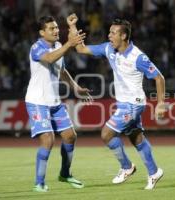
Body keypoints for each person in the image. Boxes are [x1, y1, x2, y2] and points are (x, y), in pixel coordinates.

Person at [68, 14, 166, 190]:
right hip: (123, 103)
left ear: (123, 36)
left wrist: (160, 103)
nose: (109, 36)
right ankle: (154, 172)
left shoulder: (138, 57)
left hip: (133, 104)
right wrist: (73, 27)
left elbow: (159, 78)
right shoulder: (108, 49)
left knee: (106, 134)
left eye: (113, 33)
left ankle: (127, 167)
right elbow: (81, 49)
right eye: (109, 32)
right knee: (137, 138)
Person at [25, 15, 92, 192]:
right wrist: (69, 44)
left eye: (56, 28)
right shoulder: (37, 47)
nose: (56, 31)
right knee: (48, 139)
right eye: (51, 28)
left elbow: (61, 70)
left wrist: (76, 87)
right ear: (42, 32)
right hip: (37, 101)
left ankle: (65, 174)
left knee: (70, 136)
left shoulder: (58, 46)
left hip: (55, 102)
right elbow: (49, 59)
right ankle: (39, 182)